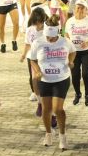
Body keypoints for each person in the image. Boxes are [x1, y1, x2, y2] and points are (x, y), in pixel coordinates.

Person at [31, 16, 75, 149]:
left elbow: (73, 52)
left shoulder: (65, 41)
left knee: (58, 109)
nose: (49, 39)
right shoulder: (37, 42)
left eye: (52, 37)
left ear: (58, 32)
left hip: (61, 79)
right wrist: (37, 71)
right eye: (47, 36)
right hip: (44, 80)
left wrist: (71, 61)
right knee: (46, 109)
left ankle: (63, 136)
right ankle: (48, 133)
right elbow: (32, 59)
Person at [64, 0, 88, 106]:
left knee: (85, 73)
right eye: (78, 8)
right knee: (75, 75)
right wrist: (68, 42)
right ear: (74, 10)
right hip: (74, 52)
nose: (80, 10)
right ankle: (77, 94)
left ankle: (87, 95)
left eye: (82, 8)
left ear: (86, 10)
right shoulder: (70, 21)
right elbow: (66, 34)